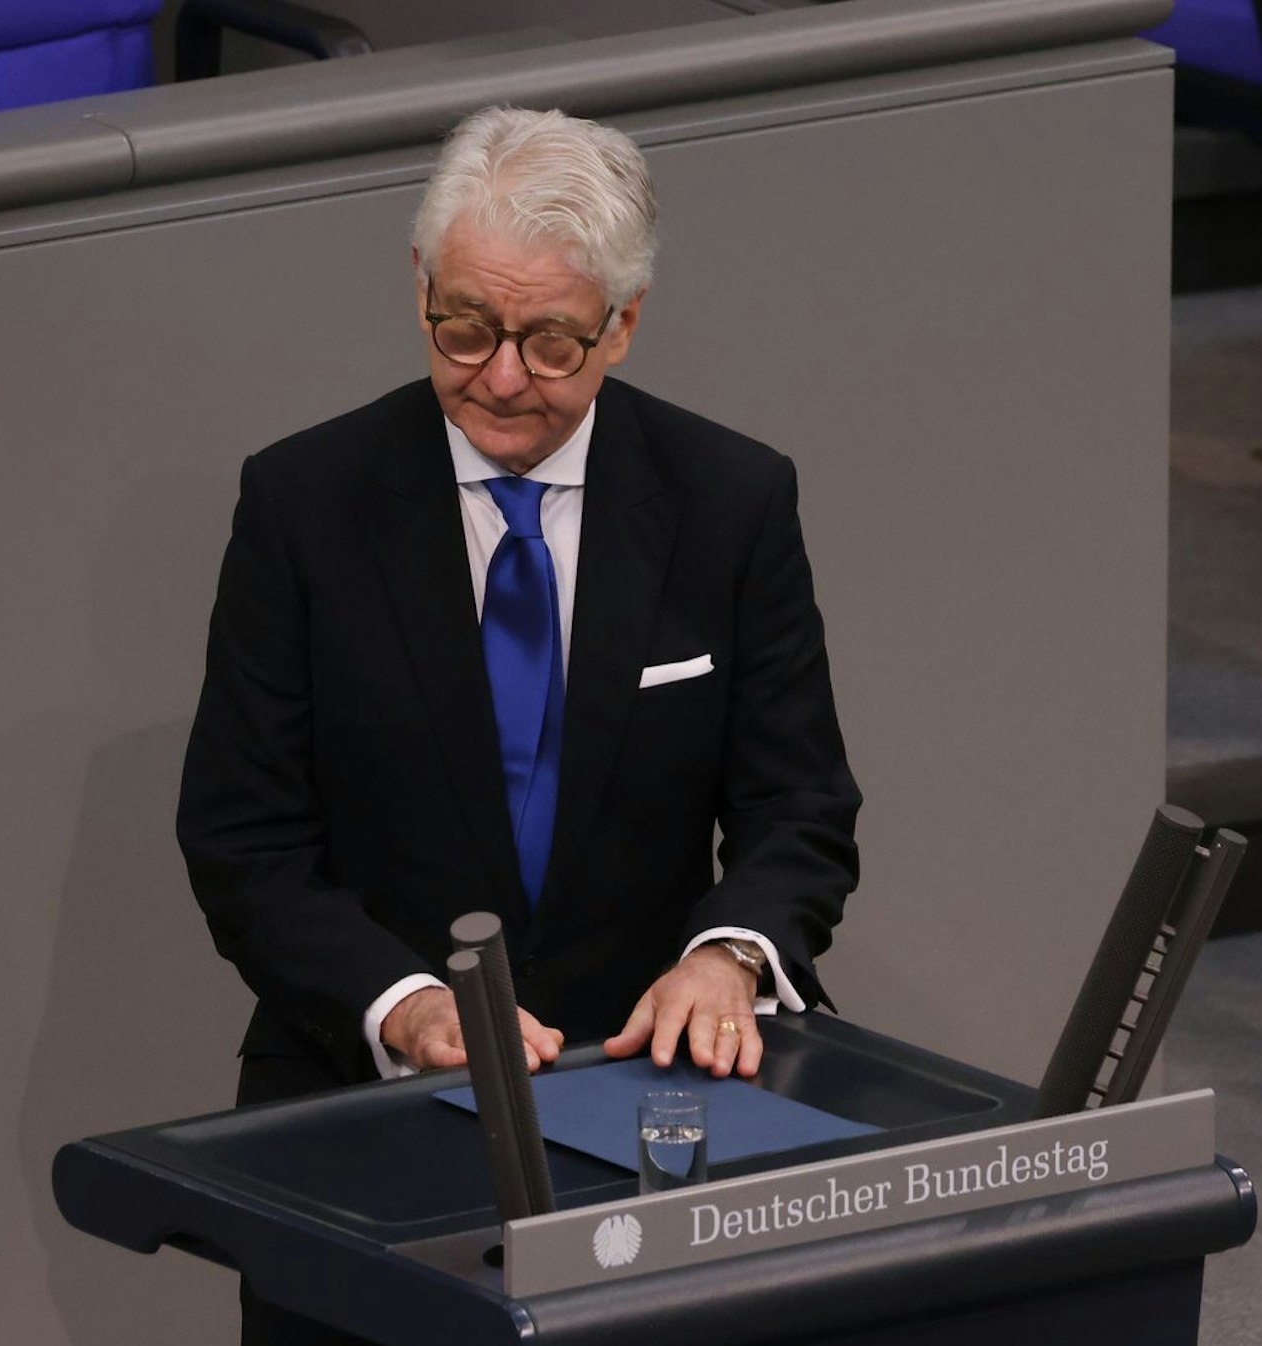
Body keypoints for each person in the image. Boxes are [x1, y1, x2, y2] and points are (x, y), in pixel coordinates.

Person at [176, 105, 860, 1345]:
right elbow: (243, 835)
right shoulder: (303, 504)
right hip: (358, 1100)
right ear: (419, 290)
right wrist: (402, 1002)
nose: (498, 377)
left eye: (548, 341)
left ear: (623, 323)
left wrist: (726, 954)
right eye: (465, 327)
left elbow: (798, 806)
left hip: (646, 1103)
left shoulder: (728, 501)